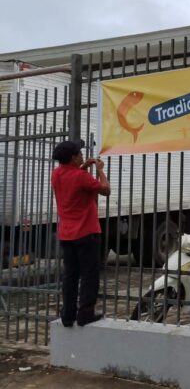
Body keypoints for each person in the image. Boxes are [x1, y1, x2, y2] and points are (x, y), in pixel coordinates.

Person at [51, 139, 110, 327]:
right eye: (79, 153)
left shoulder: (56, 174)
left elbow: (74, 177)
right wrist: (100, 170)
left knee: (70, 276)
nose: (82, 155)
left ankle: (68, 315)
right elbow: (106, 190)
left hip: (67, 234)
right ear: (73, 158)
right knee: (89, 275)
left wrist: (84, 166)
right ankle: (85, 313)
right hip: (86, 233)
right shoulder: (81, 177)